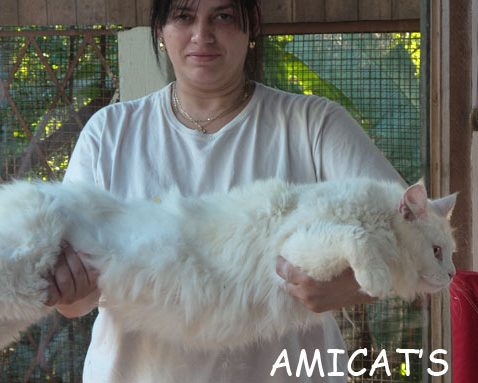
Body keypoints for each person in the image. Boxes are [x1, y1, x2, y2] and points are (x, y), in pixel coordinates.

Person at [44, 0, 405, 381]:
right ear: (159, 30)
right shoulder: (110, 134)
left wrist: (352, 287)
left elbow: (412, 233)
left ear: (252, 26)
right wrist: (68, 290)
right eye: (183, 16)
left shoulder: (314, 125)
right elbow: (74, 300)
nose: (202, 34)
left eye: (223, 16)